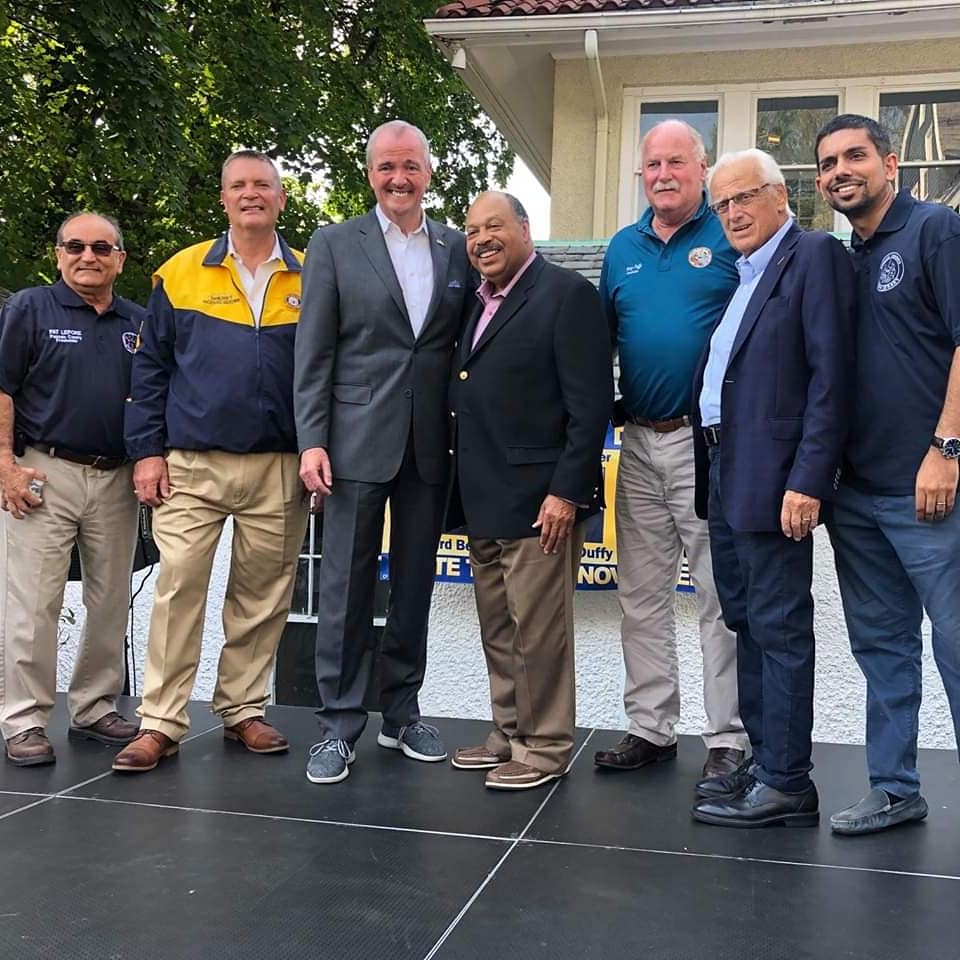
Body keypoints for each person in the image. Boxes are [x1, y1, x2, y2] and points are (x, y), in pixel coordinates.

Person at [115, 150, 308, 773]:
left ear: (280, 198)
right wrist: (146, 452)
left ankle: (243, 709)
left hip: (279, 464)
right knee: (177, 589)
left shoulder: (311, 275)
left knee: (263, 595)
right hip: (191, 465)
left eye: (263, 185)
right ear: (223, 198)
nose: (251, 194)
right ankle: (160, 722)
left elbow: (327, 372)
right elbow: (149, 370)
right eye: (239, 185)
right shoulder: (180, 272)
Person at [295, 120, 474, 785]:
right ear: (369, 174)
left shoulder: (457, 248)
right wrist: (312, 439)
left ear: (428, 172)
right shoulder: (335, 243)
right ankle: (338, 725)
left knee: (415, 585)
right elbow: (313, 352)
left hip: (430, 444)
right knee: (344, 585)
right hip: (353, 441)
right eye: (386, 167)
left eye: (411, 166)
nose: (399, 178)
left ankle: (401, 714)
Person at [689, 149, 855, 827]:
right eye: (721, 204)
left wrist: (809, 478)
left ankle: (788, 781)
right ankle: (765, 762)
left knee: (780, 626)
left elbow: (831, 376)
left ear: (781, 196)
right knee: (746, 620)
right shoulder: (744, 277)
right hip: (726, 470)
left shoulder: (812, 255)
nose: (732, 213)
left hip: (776, 476)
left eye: (744, 197)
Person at [815, 114, 960, 835]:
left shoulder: (935, 230)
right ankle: (896, 789)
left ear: (891, 163)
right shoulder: (842, 258)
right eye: (827, 163)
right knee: (882, 647)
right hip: (857, 496)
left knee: (956, 642)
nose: (841, 171)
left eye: (855, 156)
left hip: (929, 488)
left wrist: (947, 449)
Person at [596, 119, 747, 779]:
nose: (663, 175)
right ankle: (650, 728)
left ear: (701, 167)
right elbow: (597, 344)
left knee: (718, 594)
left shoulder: (728, 234)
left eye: (675, 163)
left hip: (707, 445)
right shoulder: (621, 248)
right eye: (653, 164)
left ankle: (728, 738)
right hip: (637, 441)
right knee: (641, 594)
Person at [447, 191, 612, 790]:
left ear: (524, 228)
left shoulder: (566, 294)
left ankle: (544, 747)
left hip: (541, 502)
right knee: (499, 628)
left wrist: (566, 493)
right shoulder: (474, 302)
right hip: (483, 497)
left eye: (493, 226)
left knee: (539, 633)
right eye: (471, 231)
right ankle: (509, 731)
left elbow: (590, 407)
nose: (481, 240)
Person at [0, 212, 142, 765]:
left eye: (102, 248)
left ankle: (94, 706)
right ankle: (24, 720)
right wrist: (5, 467)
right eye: (76, 246)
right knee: (34, 603)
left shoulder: (139, 322)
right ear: (58, 254)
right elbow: (2, 388)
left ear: (119, 259)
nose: (89, 256)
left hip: (118, 477)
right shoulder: (29, 308)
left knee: (109, 599)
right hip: (43, 471)